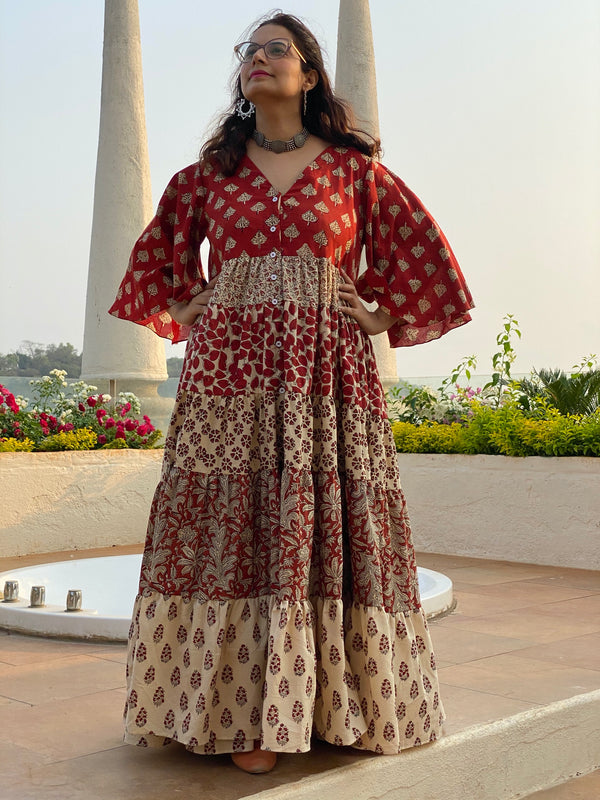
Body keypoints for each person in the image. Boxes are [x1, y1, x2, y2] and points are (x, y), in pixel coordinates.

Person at [109, 12, 473, 775]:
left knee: (325, 521)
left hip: (326, 376)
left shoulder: (351, 169)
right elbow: (159, 249)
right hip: (228, 377)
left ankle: (329, 703)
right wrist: (185, 306)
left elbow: (422, 251)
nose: (259, 59)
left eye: (278, 50)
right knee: (233, 521)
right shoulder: (213, 172)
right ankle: (243, 713)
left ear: (310, 75)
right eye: (250, 51)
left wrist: (377, 314)